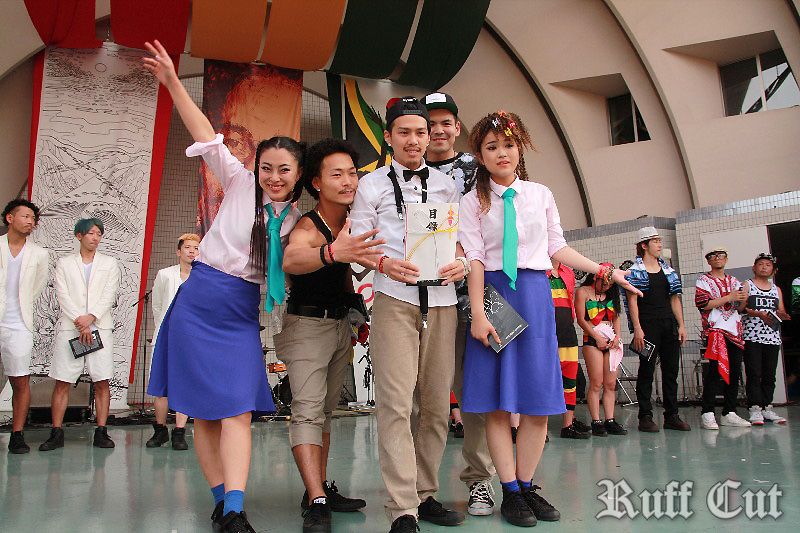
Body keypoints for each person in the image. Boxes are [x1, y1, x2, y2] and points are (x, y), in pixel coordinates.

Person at [142, 40, 303, 533]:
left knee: (236, 411)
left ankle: (236, 506)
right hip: (199, 302)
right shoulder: (238, 182)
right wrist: (173, 82)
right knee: (205, 415)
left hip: (239, 313)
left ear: (299, 174)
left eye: (284, 169)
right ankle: (223, 504)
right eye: (267, 167)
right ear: (257, 167)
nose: (274, 177)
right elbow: (205, 133)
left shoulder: (299, 220)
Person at [458, 111, 641, 528]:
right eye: (491, 147)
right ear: (480, 155)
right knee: (498, 407)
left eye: (508, 145)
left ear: (520, 147)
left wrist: (606, 271)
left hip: (536, 294)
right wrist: (478, 315)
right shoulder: (472, 201)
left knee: (538, 401)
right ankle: (509, 491)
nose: (501, 153)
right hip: (494, 297)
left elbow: (557, 247)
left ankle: (527, 485)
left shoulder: (540, 194)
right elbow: (474, 259)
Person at [349, 96, 467, 533]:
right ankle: (402, 507)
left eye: (421, 132)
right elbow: (357, 245)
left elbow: (460, 239)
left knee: (435, 405)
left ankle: (426, 492)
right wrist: (383, 263)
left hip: (443, 302)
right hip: (395, 301)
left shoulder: (447, 185)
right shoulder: (371, 185)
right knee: (397, 405)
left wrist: (462, 262)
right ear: (389, 137)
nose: (415, 140)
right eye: (405, 132)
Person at [276, 139, 383, 533]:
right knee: (306, 410)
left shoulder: (352, 220)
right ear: (317, 183)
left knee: (324, 412)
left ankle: (317, 489)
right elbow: (291, 259)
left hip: (339, 326)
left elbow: (344, 274)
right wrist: (332, 253)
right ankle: (317, 500)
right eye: (336, 174)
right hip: (307, 327)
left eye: (352, 173)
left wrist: (354, 310)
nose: (348, 180)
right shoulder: (309, 225)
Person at [422, 92, 494, 515]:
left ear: (457, 127)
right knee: (426, 400)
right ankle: (421, 489)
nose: (438, 130)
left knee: (475, 395)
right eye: (429, 123)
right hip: (423, 300)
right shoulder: (404, 172)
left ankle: (479, 480)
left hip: (472, 300)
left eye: (446, 122)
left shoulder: (476, 170)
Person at [40, 218, 120, 451]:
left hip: (99, 326)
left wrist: (91, 317)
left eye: (99, 234)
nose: (95, 237)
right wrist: (80, 321)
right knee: (63, 380)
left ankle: (101, 431)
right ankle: (56, 432)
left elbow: (109, 293)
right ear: (79, 236)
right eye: (91, 233)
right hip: (71, 327)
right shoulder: (65, 263)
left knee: (102, 380)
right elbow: (62, 294)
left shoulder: (109, 262)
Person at [625, 227, 690, 432]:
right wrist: (637, 328)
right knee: (647, 370)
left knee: (671, 371)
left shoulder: (668, 271)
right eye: (655, 241)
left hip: (669, 324)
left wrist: (681, 325)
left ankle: (672, 415)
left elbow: (674, 299)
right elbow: (632, 301)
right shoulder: (635, 271)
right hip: (648, 325)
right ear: (644, 245)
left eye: (659, 241)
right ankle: (645, 416)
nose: (660, 245)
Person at [0, 199, 48, 454]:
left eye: (33, 218)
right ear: (10, 218)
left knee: (20, 380)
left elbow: (36, 288)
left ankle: (17, 434)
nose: (30, 222)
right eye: (25, 216)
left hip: (19, 323)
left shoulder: (39, 254)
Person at [146, 233, 201, 450]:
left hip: (191, 338)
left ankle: (179, 431)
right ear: (179, 251)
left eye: (195, 248)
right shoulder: (165, 274)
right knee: (161, 384)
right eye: (187, 247)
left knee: (184, 383)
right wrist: (164, 329)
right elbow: (157, 305)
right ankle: (160, 430)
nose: (191, 251)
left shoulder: (202, 276)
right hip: (166, 335)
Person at [695, 247, 751, 429]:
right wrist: (729, 297)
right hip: (716, 331)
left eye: (721, 256)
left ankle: (729, 411)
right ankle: (708, 412)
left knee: (734, 371)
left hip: (734, 331)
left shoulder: (734, 281)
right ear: (708, 261)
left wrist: (744, 297)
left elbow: (740, 308)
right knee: (714, 371)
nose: (717, 258)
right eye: (713, 256)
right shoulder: (703, 280)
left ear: (726, 259)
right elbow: (703, 304)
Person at [575, 268, 626, 437]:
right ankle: (596, 420)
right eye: (604, 283)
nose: (606, 287)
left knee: (610, 383)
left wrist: (617, 337)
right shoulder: (583, 292)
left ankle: (610, 420)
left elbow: (616, 317)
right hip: (592, 339)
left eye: (610, 284)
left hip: (611, 339)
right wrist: (597, 338)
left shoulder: (611, 294)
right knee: (596, 382)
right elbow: (581, 319)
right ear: (596, 278)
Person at [742, 253, 790, 424]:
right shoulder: (747, 285)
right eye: (761, 264)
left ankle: (767, 407)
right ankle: (755, 408)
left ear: (773, 270)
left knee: (769, 374)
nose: (764, 267)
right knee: (754, 373)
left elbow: (781, 309)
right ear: (754, 268)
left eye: (768, 265)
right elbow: (740, 308)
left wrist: (782, 315)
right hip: (752, 336)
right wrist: (757, 313)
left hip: (772, 337)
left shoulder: (776, 289)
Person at [547, 259, 591, 439]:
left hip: (567, 332)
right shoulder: (537, 270)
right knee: (544, 380)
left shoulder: (568, 273)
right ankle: (539, 429)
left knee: (570, 381)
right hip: (544, 334)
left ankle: (568, 424)